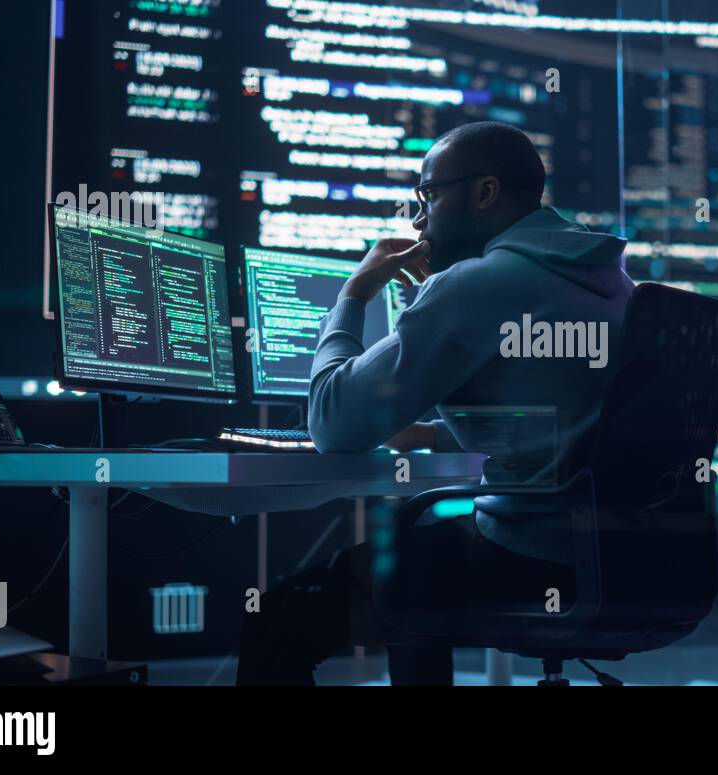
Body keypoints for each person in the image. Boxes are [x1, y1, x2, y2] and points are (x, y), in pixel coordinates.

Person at [236, 121, 634, 685]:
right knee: (417, 561)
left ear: (484, 193)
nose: (418, 219)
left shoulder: (481, 282)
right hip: (626, 560)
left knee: (280, 617)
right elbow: (572, 424)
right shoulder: (609, 279)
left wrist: (355, 293)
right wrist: (433, 435)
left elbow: (331, 423)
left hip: (530, 555)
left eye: (428, 195)